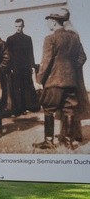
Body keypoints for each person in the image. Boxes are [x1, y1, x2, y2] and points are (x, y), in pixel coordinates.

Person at [33, 8, 88, 149]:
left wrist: (39, 80)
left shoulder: (50, 38)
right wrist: (70, 70)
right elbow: (83, 57)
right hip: (71, 81)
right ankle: (69, 142)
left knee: (48, 109)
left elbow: (46, 62)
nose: (47, 24)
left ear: (53, 22)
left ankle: (49, 141)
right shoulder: (74, 37)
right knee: (69, 109)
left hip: (54, 81)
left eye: (49, 22)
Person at [6, 19, 39, 116]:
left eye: (19, 26)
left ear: (23, 26)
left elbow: (30, 53)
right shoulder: (10, 39)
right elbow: (8, 55)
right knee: (16, 87)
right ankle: (17, 109)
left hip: (25, 66)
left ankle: (27, 107)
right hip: (15, 67)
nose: (18, 28)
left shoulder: (27, 39)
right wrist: (10, 67)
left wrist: (32, 66)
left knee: (26, 86)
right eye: (16, 26)